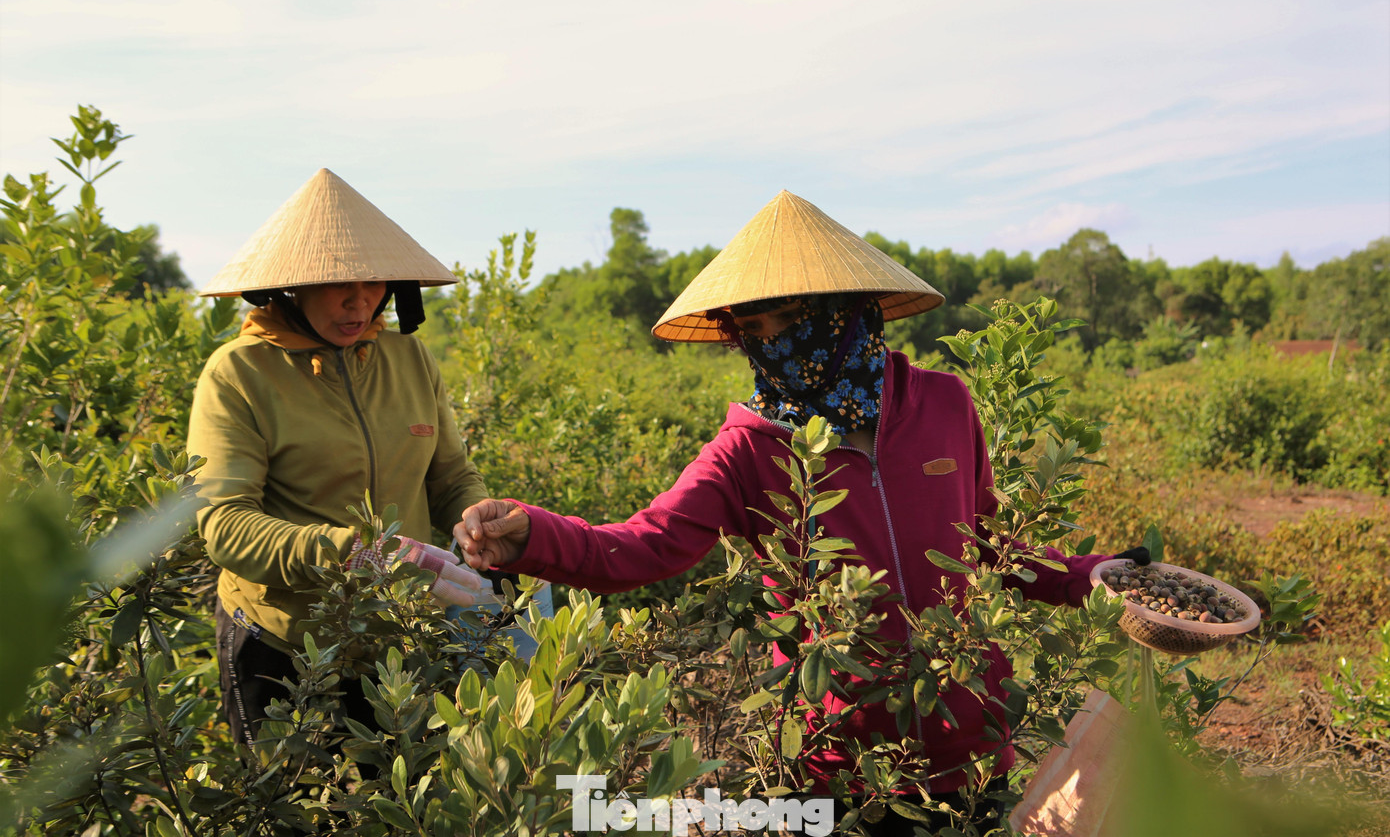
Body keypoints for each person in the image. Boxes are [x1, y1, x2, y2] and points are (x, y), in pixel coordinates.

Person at [456, 191, 1133, 833]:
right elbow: (642, 546)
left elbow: (990, 545)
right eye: (754, 328)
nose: (777, 343)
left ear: (847, 309)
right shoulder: (746, 451)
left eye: (793, 318)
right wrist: (530, 532)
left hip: (969, 740)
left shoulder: (945, 404)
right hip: (836, 766)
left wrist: (1094, 576)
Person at [189, 168, 531, 759]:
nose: (359, 300)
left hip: (399, 637)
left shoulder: (409, 359)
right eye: (336, 283)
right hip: (280, 639)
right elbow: (225, 526)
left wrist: (477, 515)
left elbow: (449, 476)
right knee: (288, 812)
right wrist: (352, 553)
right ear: (288, 287)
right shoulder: (239, 373)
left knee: (407, 802)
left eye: (373, 281)